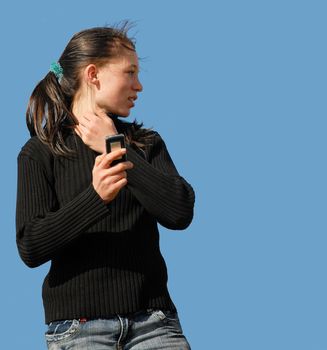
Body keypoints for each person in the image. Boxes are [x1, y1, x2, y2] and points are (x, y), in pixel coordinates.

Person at [15, 23, 195, 349]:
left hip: (154, 324)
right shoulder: (40, 153)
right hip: (78, 331)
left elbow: (180, 211)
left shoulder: (145, 145)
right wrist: (95, 198)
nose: (138, 85)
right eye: (130, 72)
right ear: (94, 74)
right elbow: (31, 246)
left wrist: (115, 147)